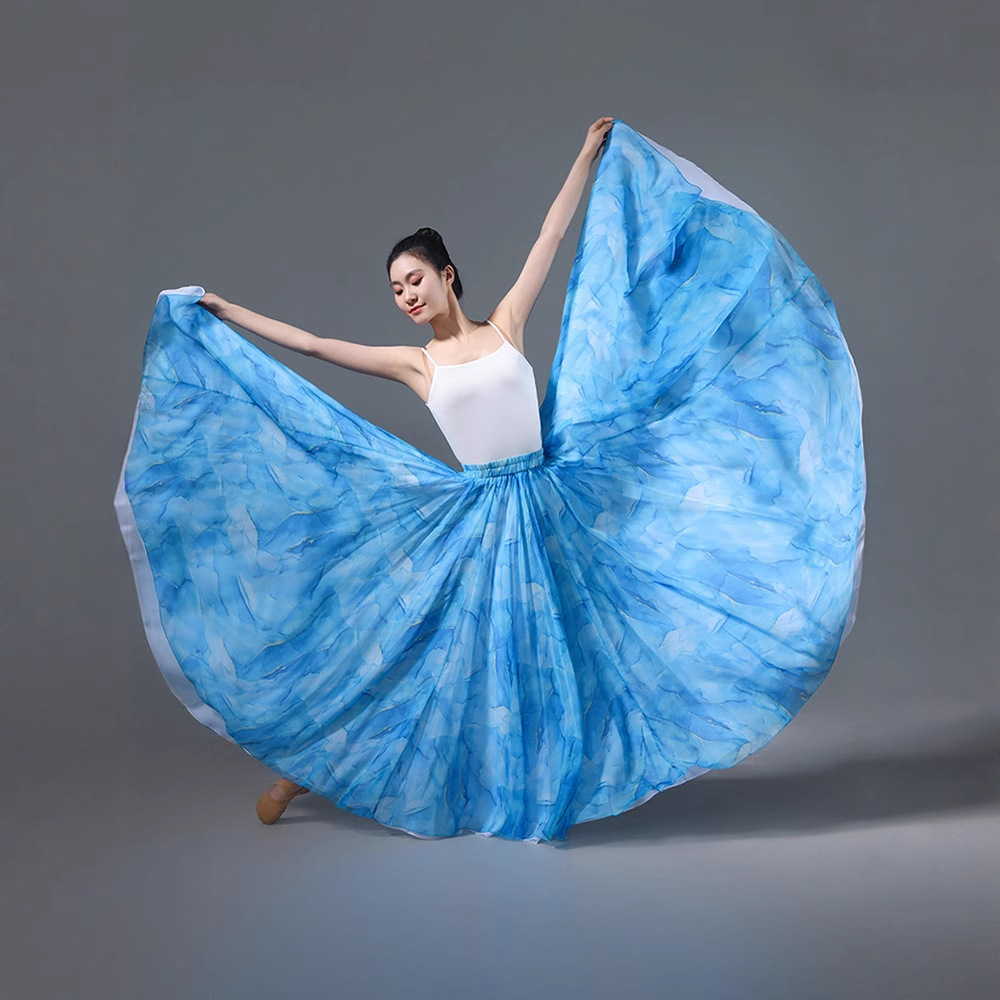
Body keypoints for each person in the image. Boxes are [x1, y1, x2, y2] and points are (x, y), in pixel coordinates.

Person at [115, 117, 866, 842]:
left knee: (596, 637)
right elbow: (313, 344)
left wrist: (586, 157)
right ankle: (301, 771)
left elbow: (550, 238)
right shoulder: (416, 364)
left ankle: (570, 771)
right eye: (396, 290)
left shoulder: (506, 324)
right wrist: (225, 310)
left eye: (414, 279)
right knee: (418, 653)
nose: (407, 296)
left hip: (552, 501)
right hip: (480, 518)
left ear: (446, 275)